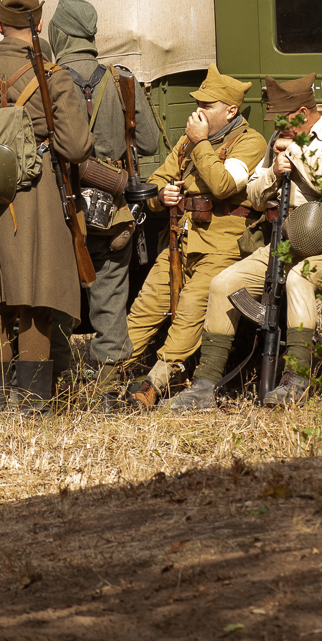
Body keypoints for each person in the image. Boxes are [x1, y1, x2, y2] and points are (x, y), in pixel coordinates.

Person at [100, 65, 267, 409]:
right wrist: (161, 197)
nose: (199, 111)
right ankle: (104, 380)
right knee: (145, 307)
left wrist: (201, 142)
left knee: (191, 312)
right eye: (199, 103)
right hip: (180, 241)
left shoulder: (249, 142)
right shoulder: (188, 140)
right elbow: (158, 180)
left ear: (231, 110)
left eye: (208, 105)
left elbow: (223, 185)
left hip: (222, 248)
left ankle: (153, 386)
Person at [0, 0, 95, 405]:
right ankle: (34, 402)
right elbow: (76, 147)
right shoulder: (53, 78)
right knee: (37, 299)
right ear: (38, 24)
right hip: (36, 199)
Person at [181, 74, 322, 411]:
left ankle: (296, 380)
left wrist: (297, 158)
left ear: (301, 112)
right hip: (284, 239)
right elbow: (252, 193)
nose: (278, 128)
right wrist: (272, 174)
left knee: (298, 279)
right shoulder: (278, 141)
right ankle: (203, 387)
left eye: (283, 121)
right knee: (224, 283)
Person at [48, 0, 161, 377]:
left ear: (60, 35)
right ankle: (108, 390)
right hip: (113, 209)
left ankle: (60, 381)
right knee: (111, 295)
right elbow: (149, 143)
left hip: (62, 207)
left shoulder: (48, 81)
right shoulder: (121, 79)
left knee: (59, 294)